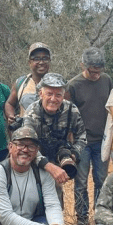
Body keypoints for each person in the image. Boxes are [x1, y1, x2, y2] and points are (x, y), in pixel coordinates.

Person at [67, 48, 113, 225]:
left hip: (102, 140)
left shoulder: (107, 80)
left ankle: (100, 217)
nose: (96, 74)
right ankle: (82, 218)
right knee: (81, 181)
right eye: (92, 71)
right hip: (82, 141)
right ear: (83, 65)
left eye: (99, 71)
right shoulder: (73, 85)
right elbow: (69, 115)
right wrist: (71, 144)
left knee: (102, 180)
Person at [22, 72, 87, 200]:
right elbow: (27, 145)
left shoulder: (71, 110)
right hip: (34, 157)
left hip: (58, 157)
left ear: (64, 96)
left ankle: (56, 218)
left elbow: (82, 136)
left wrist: (73, 154)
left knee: (56, 195)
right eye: (49, 94)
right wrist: (49, 166)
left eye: (58, 95)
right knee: (32, 194)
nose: (53, 99)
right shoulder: (31, 112)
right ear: (41, 94)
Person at [5, 42, 52, 123]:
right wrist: (11, 116)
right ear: (29, 62)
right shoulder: (21, 83)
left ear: (49, 61)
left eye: (45, 58)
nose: (41, 62)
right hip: (26, 133)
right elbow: (9, 104)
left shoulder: (58, 84)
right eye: (36, 59)